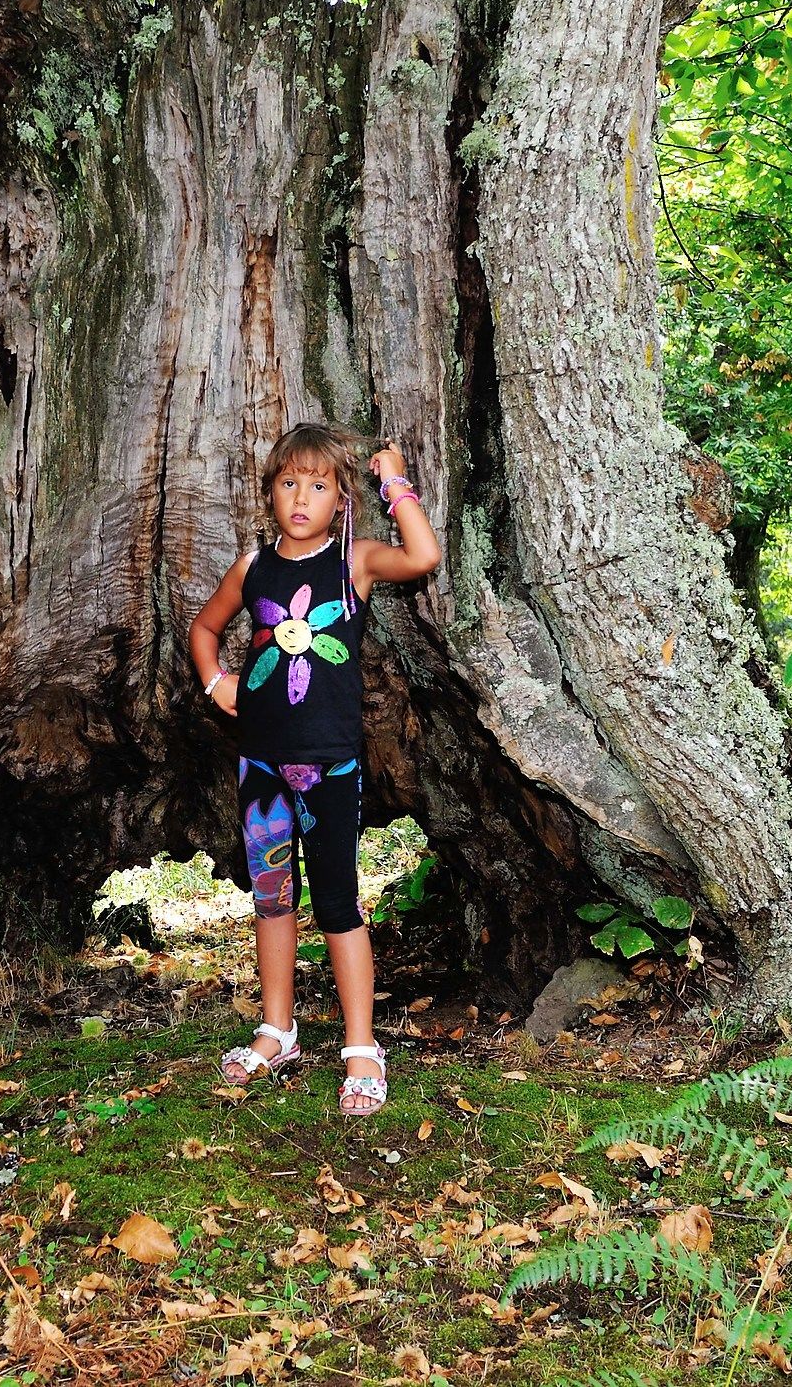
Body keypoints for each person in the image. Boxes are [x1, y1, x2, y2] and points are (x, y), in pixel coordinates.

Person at [186, 424, 440, 1118]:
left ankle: (361, 1045)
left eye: (319, 486)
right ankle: (278, 1031)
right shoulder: (253, 568)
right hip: (261, 764)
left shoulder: (352, 563)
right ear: (270, 492)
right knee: (271, 898)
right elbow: (204, 628)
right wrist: (215, 681)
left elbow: (423, 555)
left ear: (340, 499)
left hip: (328, 767)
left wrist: (395, 482)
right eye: (289, 483)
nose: (302, 498)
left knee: (336, 902)